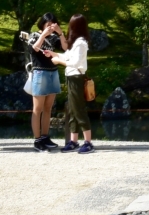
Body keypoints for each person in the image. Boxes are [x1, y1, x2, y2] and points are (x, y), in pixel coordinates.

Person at [56, 13, 97, 153]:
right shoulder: (75, 43)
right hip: (71, 77)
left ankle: (88, 142)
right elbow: (67, 55)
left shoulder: (81, 43)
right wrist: (54, 55)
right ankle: (73, 141)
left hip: (76, 78)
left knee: (78, 109)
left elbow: (74, 63)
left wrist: (59, 61)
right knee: (73, 110)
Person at [24, 12, 63, 151]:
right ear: (43, 24)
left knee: (48, 108)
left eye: (53, 24)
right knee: (37, 109)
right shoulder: (34, 35)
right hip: (40, 73)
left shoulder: (53, 37)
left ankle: (45, 137)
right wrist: (43, 35)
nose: (51, 27)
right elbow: (33, 48)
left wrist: (60, 33)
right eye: (48, 24)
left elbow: (65, 48)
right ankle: (37, 140)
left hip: (53, 72)